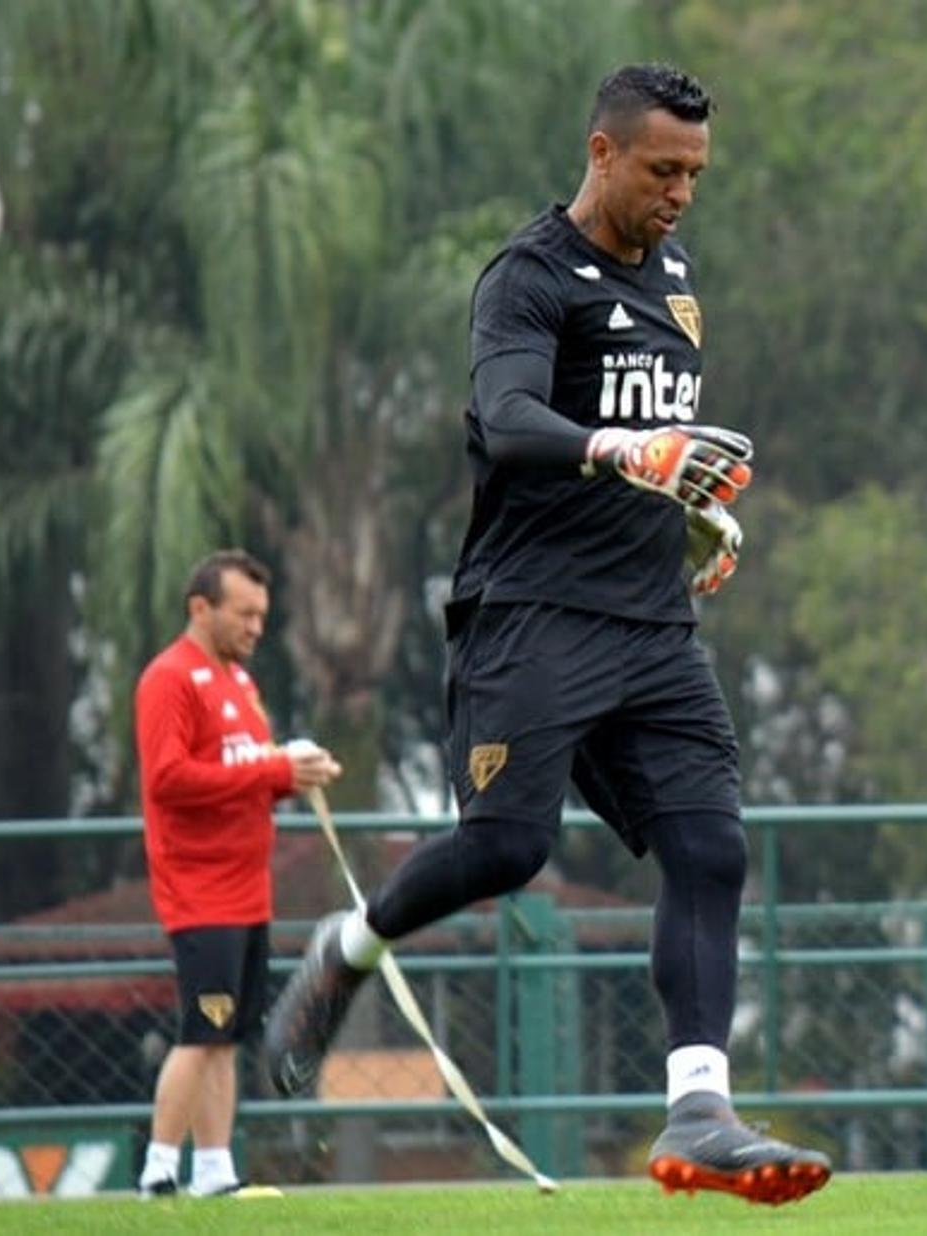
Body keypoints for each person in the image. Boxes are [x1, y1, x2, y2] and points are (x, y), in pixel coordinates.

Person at [262, 63, 830, 1205]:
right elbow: (513, 421)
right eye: (663, 170)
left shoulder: (675, 275)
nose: (681, 193)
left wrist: (700, 517)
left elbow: (656, 439)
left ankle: (700, 1110)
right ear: (603, 152)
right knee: (509, 850)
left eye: (697, 175)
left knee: (712, 849)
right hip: (531, 619)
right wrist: (629, 457)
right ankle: (349, 946)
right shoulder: (528, 278)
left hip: (652, 627)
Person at [134, 549, 344, 1197]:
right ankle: (158, 1171)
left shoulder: (240, 683)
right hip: (200, 892)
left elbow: (241, 772)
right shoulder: (169, 679)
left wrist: (293, 773)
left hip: (248, 889)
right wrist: (275, 771)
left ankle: (215, 1172)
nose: (257, 628)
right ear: (201, 608)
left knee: (225, 1038)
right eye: (244, 614)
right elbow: (168, 779)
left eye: (262, 615)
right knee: (201, 1033)